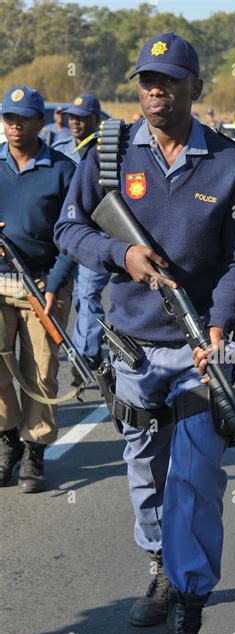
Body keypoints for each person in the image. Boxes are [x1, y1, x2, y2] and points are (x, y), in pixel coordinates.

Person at [55, 32, 235, 634]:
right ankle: (160, 568)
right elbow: (72, 227)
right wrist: (123, 256)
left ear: (194, 87)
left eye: (169, 79)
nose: (155, 89)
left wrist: (223, 325)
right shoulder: (111, 152)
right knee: (145, 467)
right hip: (135, 350)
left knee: (197, 479)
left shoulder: (230, 163)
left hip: (201, 350)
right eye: (147, 78)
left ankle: (188, 626)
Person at [0, 86, 76, 492]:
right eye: (9, 118)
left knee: (41, 374)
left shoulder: (63, 170)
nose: (15, 126)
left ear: (40, 122)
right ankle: (7, 440)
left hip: (42, 283)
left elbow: (74, 234)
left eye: (23, 118)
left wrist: (59, 281)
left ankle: (35, 451)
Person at [55, 94, 110, 384]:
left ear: (96, 119)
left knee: (88, 293)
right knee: (77, 296)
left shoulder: (108, 151)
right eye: (72, 117)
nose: (75, 122)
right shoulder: (60, 148)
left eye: (82, 117)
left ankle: (83, 357)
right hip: (65, 237)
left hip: (95, 235)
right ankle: (95, 347)